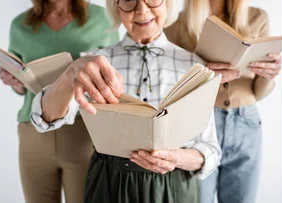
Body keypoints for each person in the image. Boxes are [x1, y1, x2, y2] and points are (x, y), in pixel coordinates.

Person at [29, 0, 220, 202]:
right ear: (116, 7)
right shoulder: (95, 62)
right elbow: (45, 120)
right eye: (129, 0)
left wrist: (176, 158)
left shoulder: (194, 66)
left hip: (174, 186)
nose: (142, 10)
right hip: (110, 182)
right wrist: (69, 75)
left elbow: (210, 150)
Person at [0, 0, 118, 202]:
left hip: (83, 131)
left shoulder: (102, 18)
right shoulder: (20, 25)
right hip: (32, 131)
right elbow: (21, 85)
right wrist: (13, 81)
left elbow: (113, 74)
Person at [164, 1, 282, 202]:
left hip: (246, 122)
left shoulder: (257, 18)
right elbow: (169, 88)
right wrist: (201, 75)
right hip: (198, 126)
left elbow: (258, 93)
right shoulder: (175, 23)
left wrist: (269, 75)